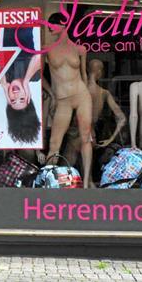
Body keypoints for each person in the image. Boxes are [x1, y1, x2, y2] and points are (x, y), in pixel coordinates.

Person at [43, 13, 95, 187]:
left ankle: (87, 182)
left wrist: (90, 95)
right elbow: (39, 76)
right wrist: (51, 94)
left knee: (85, 138)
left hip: (82, 95)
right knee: (54, 142)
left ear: (63, 25)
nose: (50, 27)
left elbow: (84, 75)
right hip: (63, 99)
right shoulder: (47, 49)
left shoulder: (80, 49)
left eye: (53, 24)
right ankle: (48, 182)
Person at [0, 26, 42, 146]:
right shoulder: (34, 77)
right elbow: (38, 57)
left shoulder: (3, 80)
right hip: (24, 28)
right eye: (22, 99)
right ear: (29, 96)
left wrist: (3, 84)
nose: (16, 95)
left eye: (13, 100)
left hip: (5, 29)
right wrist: (26, 80)